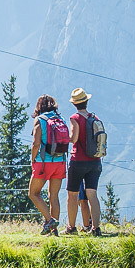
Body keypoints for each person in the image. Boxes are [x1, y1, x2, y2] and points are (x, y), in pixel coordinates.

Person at [64, 86, 105, 236]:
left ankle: (71, 227)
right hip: (95, 161)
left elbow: (74, 138)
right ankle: (96, 228)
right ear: (86, 102)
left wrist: (64, 137)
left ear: (74, 104)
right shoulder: (95, 118)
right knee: (92, 194)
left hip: (78, 161)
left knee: (72, 194)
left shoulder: (75, 118)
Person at [29, 95, 70, 235]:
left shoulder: (40, 120)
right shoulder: (61, 119)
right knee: (54, 196)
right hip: (60, 161)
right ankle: (54, 231)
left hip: (43, 163)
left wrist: (32, 159)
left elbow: (36, 143)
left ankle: (50, 220)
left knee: (33, 193)